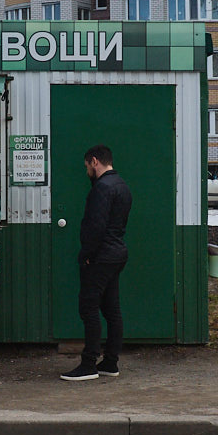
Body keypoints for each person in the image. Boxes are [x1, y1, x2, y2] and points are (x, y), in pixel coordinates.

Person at [61, 144, 132, 381]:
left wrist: (87, 254)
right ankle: (110, 362)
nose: (86, 172)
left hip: (101, 256)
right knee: (112, 309)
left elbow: (96, 227)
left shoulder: (102, 188)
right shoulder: (122, 185)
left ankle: (89, 364)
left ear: (94, 161)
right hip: (117, 254)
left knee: (88, 307)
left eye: (86, 167)